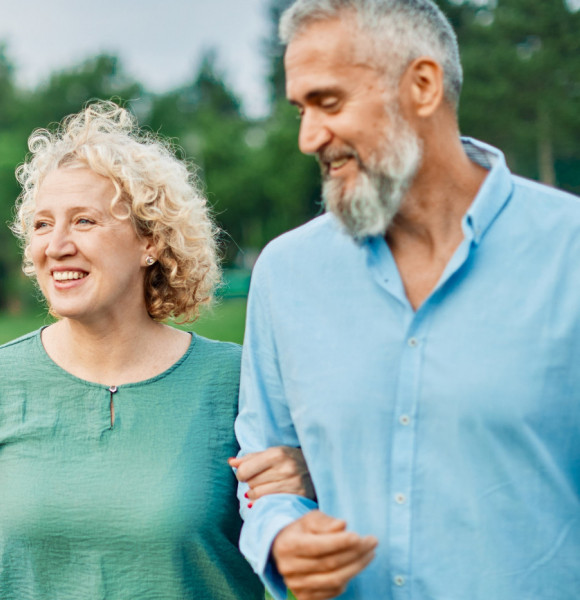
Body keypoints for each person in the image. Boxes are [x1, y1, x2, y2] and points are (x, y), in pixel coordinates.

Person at [234, 1, 580, 599]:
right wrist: (282, 535)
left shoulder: (568, 252)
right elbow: (266, 472)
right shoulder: (285, 275)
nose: (308, 138)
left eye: (328, 102)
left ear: (422, 86)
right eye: (300, 110)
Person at [0, 101, 302, 599]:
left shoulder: (235, 380)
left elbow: (302, 510)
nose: (56, 245)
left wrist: (308, 476)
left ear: (151, 242)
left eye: (84, 221)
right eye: (42, 224)